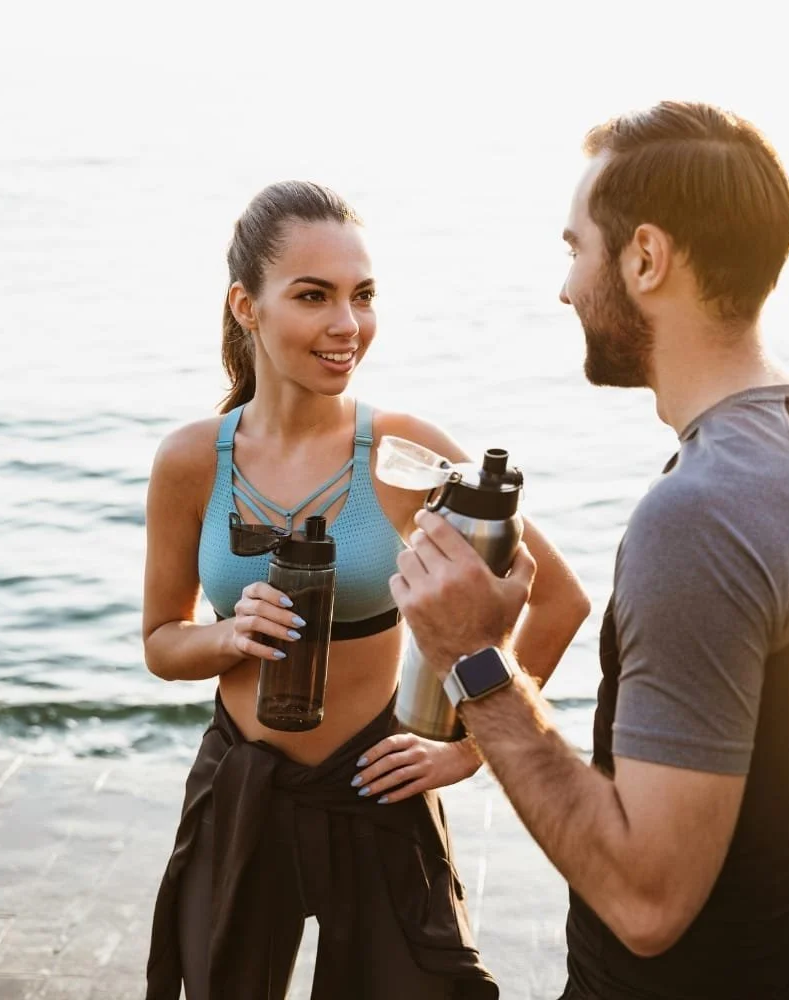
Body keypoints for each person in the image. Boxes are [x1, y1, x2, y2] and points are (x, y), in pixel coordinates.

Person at [392, 102, 789, 999]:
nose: (566, 289)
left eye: (576, 249)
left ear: (646, 259)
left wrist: (475, 659)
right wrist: (744, 839)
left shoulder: (695, 516)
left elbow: (648, 905)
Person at [139, 180, 591, 1000]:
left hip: (378, 785)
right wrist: (228, 636)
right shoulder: (191, 461)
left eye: (364, 295)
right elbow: (162, 644)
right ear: (246, 306)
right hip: (242, 787)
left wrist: (470, 747)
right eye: (314, 296)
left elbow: (558, 599)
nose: (348, 324)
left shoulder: (406, 454)